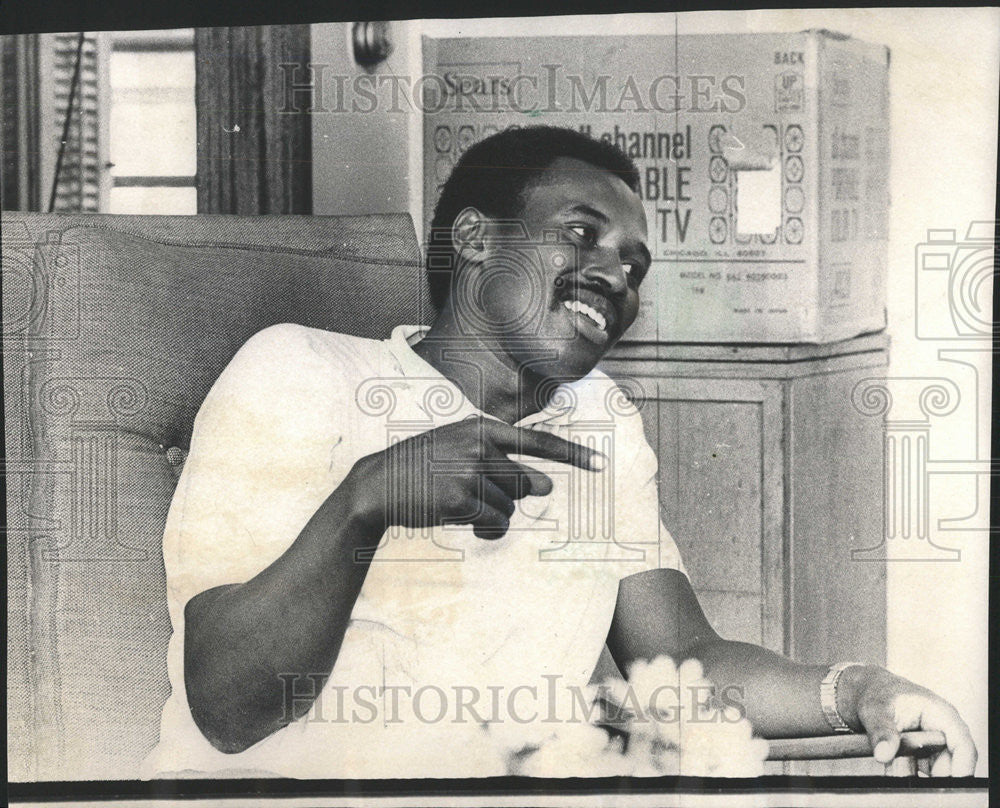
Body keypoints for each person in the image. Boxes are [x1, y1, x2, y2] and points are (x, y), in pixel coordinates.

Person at [143, 126, 976, 779]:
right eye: (583, 235)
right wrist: (367, 500)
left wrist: (862, 690)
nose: (619, 279)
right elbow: (227, 710)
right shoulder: (301, 369)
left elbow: (680, 663)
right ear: (474, 238)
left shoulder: (599, 416)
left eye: (635, 266)